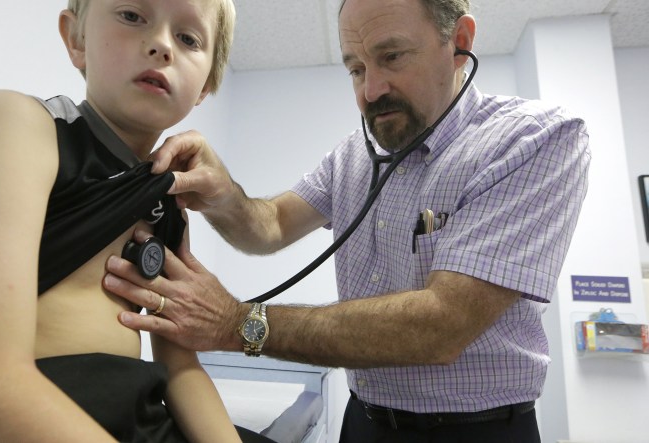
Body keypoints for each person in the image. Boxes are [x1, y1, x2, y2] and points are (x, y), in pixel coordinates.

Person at [102, 0, 592, 441]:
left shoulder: (533, 140)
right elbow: (272, 225)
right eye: (356, 68)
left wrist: (237, 324)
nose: (371, 90)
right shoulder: (355, 156)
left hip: (477, 431)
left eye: (392, 56)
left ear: (458, 41)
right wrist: (224, 194)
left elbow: (442, 326)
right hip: (364, 422)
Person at [0, 0, 263, 442]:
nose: (161, 45)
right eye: (132, 16)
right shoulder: (17, 123)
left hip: (134, 415)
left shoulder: (167, 202)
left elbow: (179, 368)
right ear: (76, 38)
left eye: (188, 38)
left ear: (204, 87)